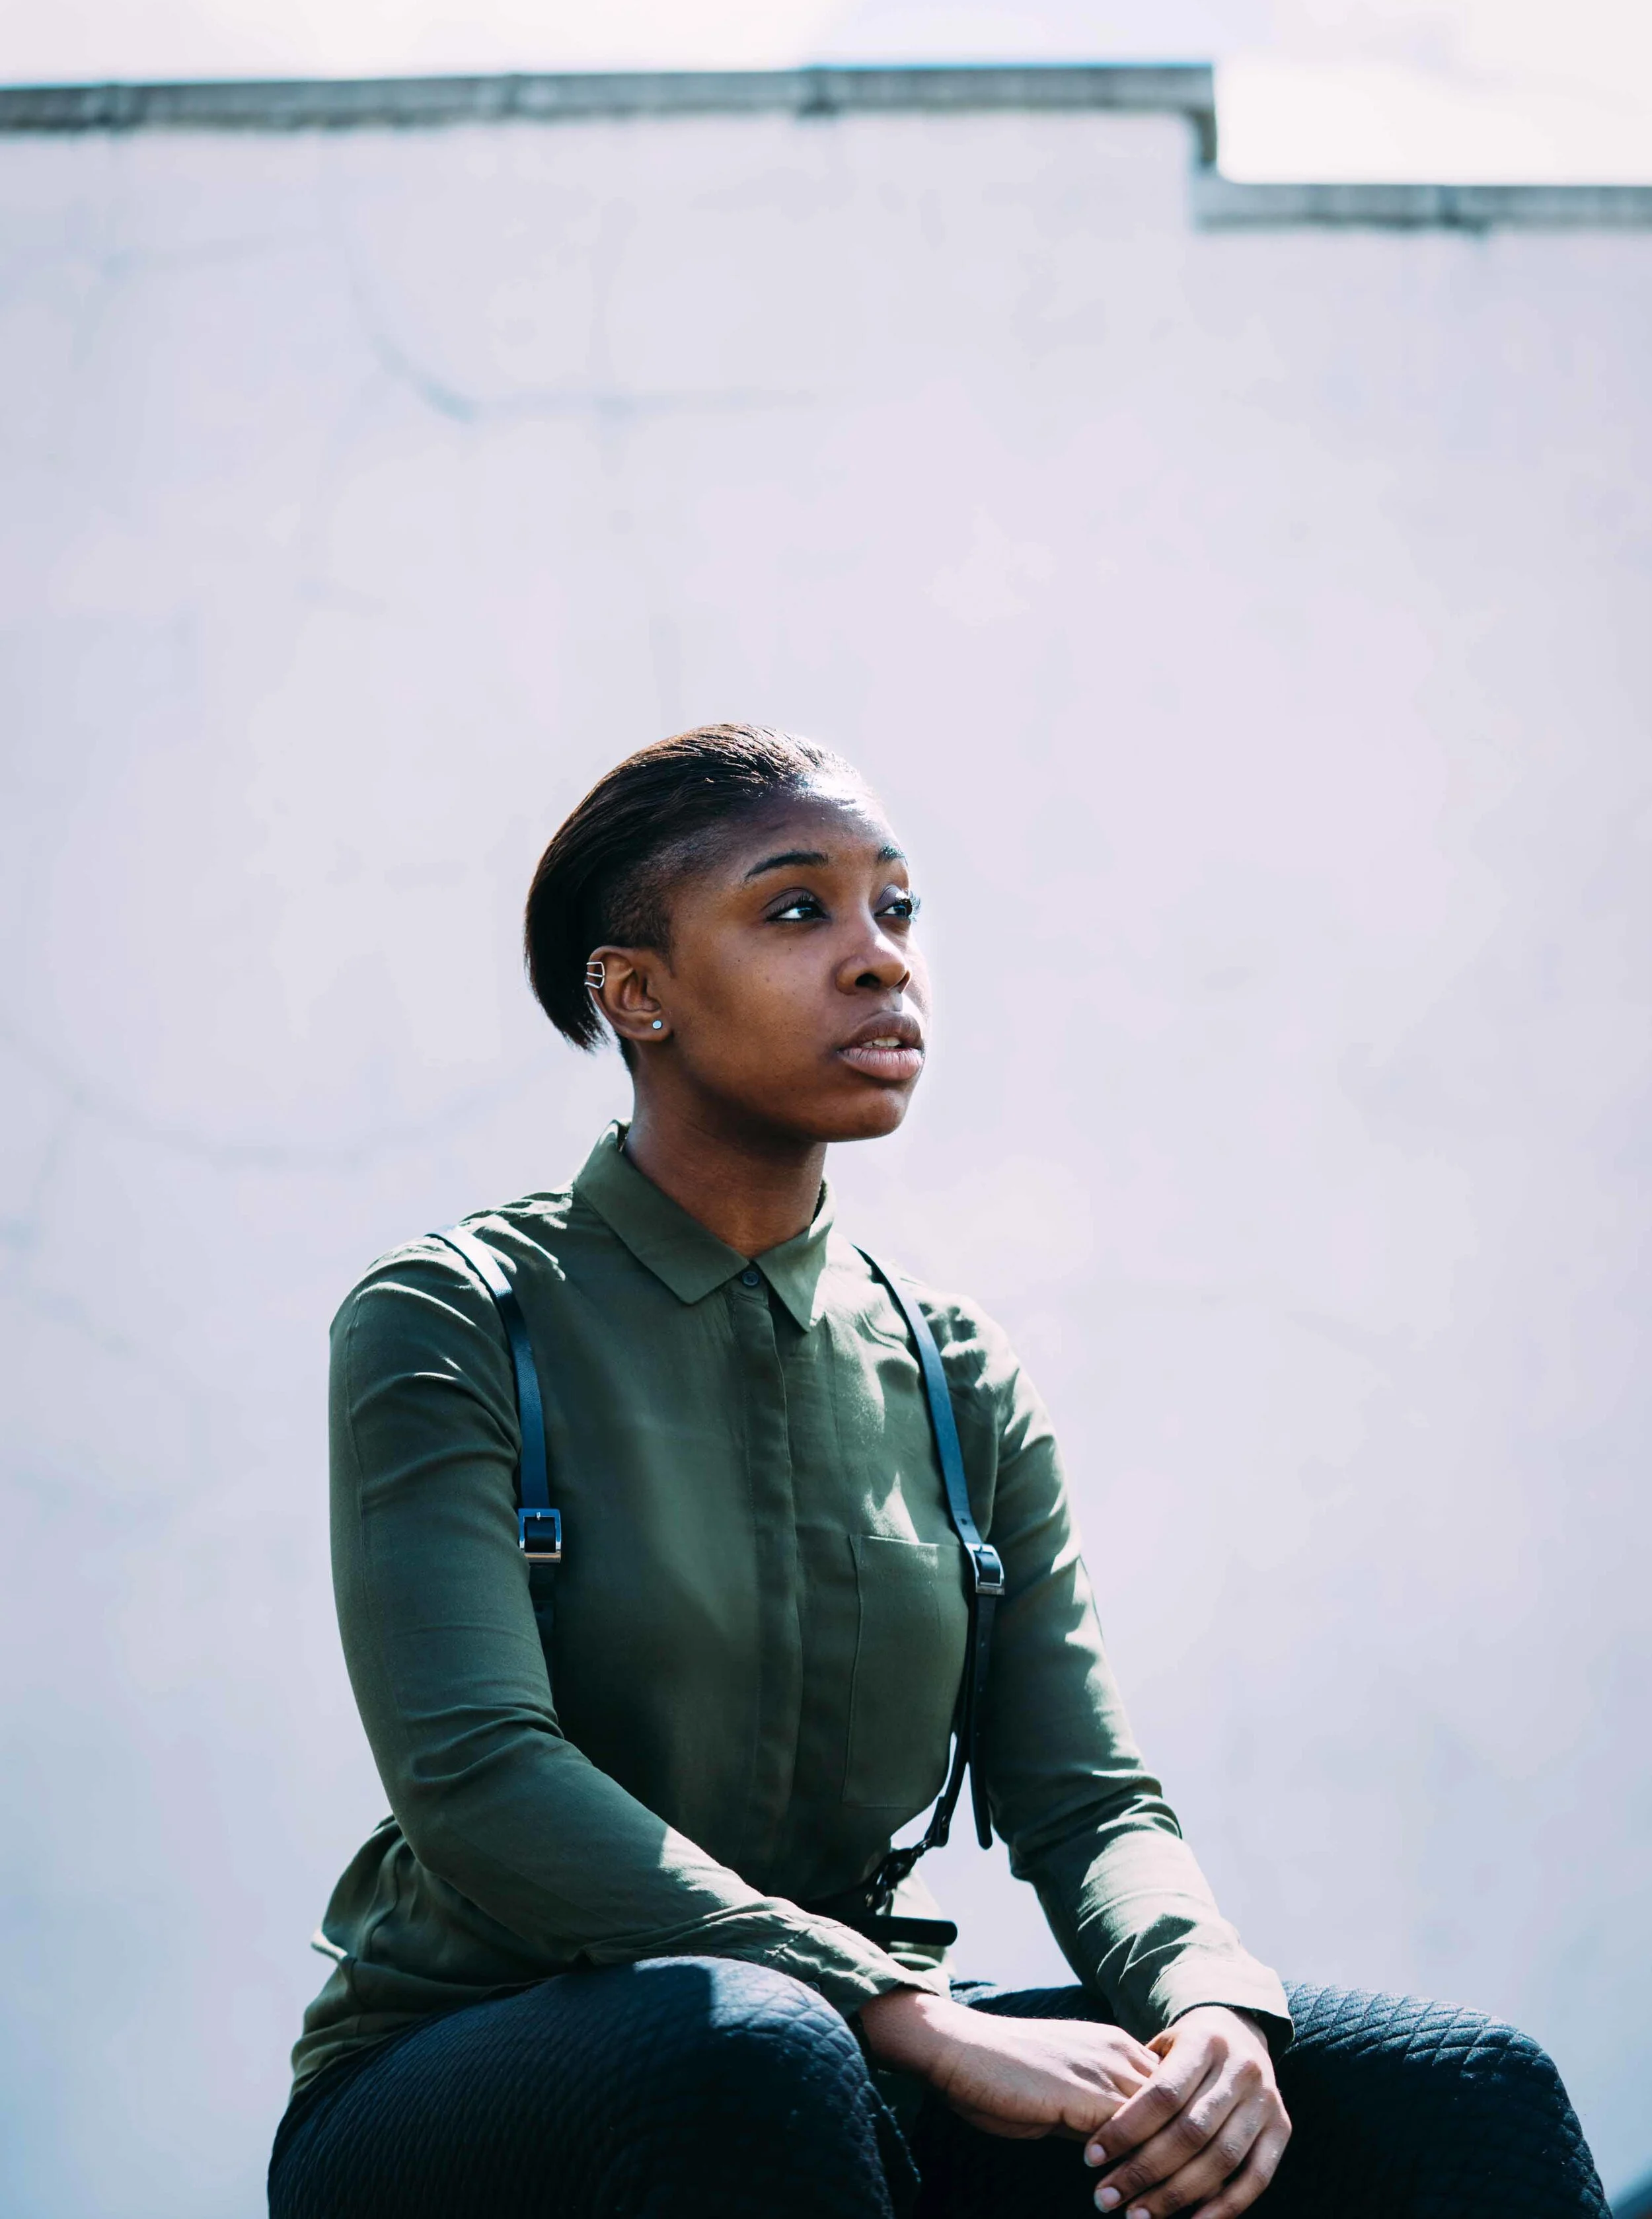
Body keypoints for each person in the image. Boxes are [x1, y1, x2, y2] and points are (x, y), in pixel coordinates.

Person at [269, 725, 1606, 2219]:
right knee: (751, 2045)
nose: (880, 959)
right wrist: (895, 2009)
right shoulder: (454, 1317)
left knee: (1454, 2091)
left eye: (895, 908)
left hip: (852, 2056)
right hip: (469, 2075)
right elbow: (476, 1776)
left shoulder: (952, 1368)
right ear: (636, 992)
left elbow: (1085, 1797)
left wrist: (1209, 2003)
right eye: (798, 910)